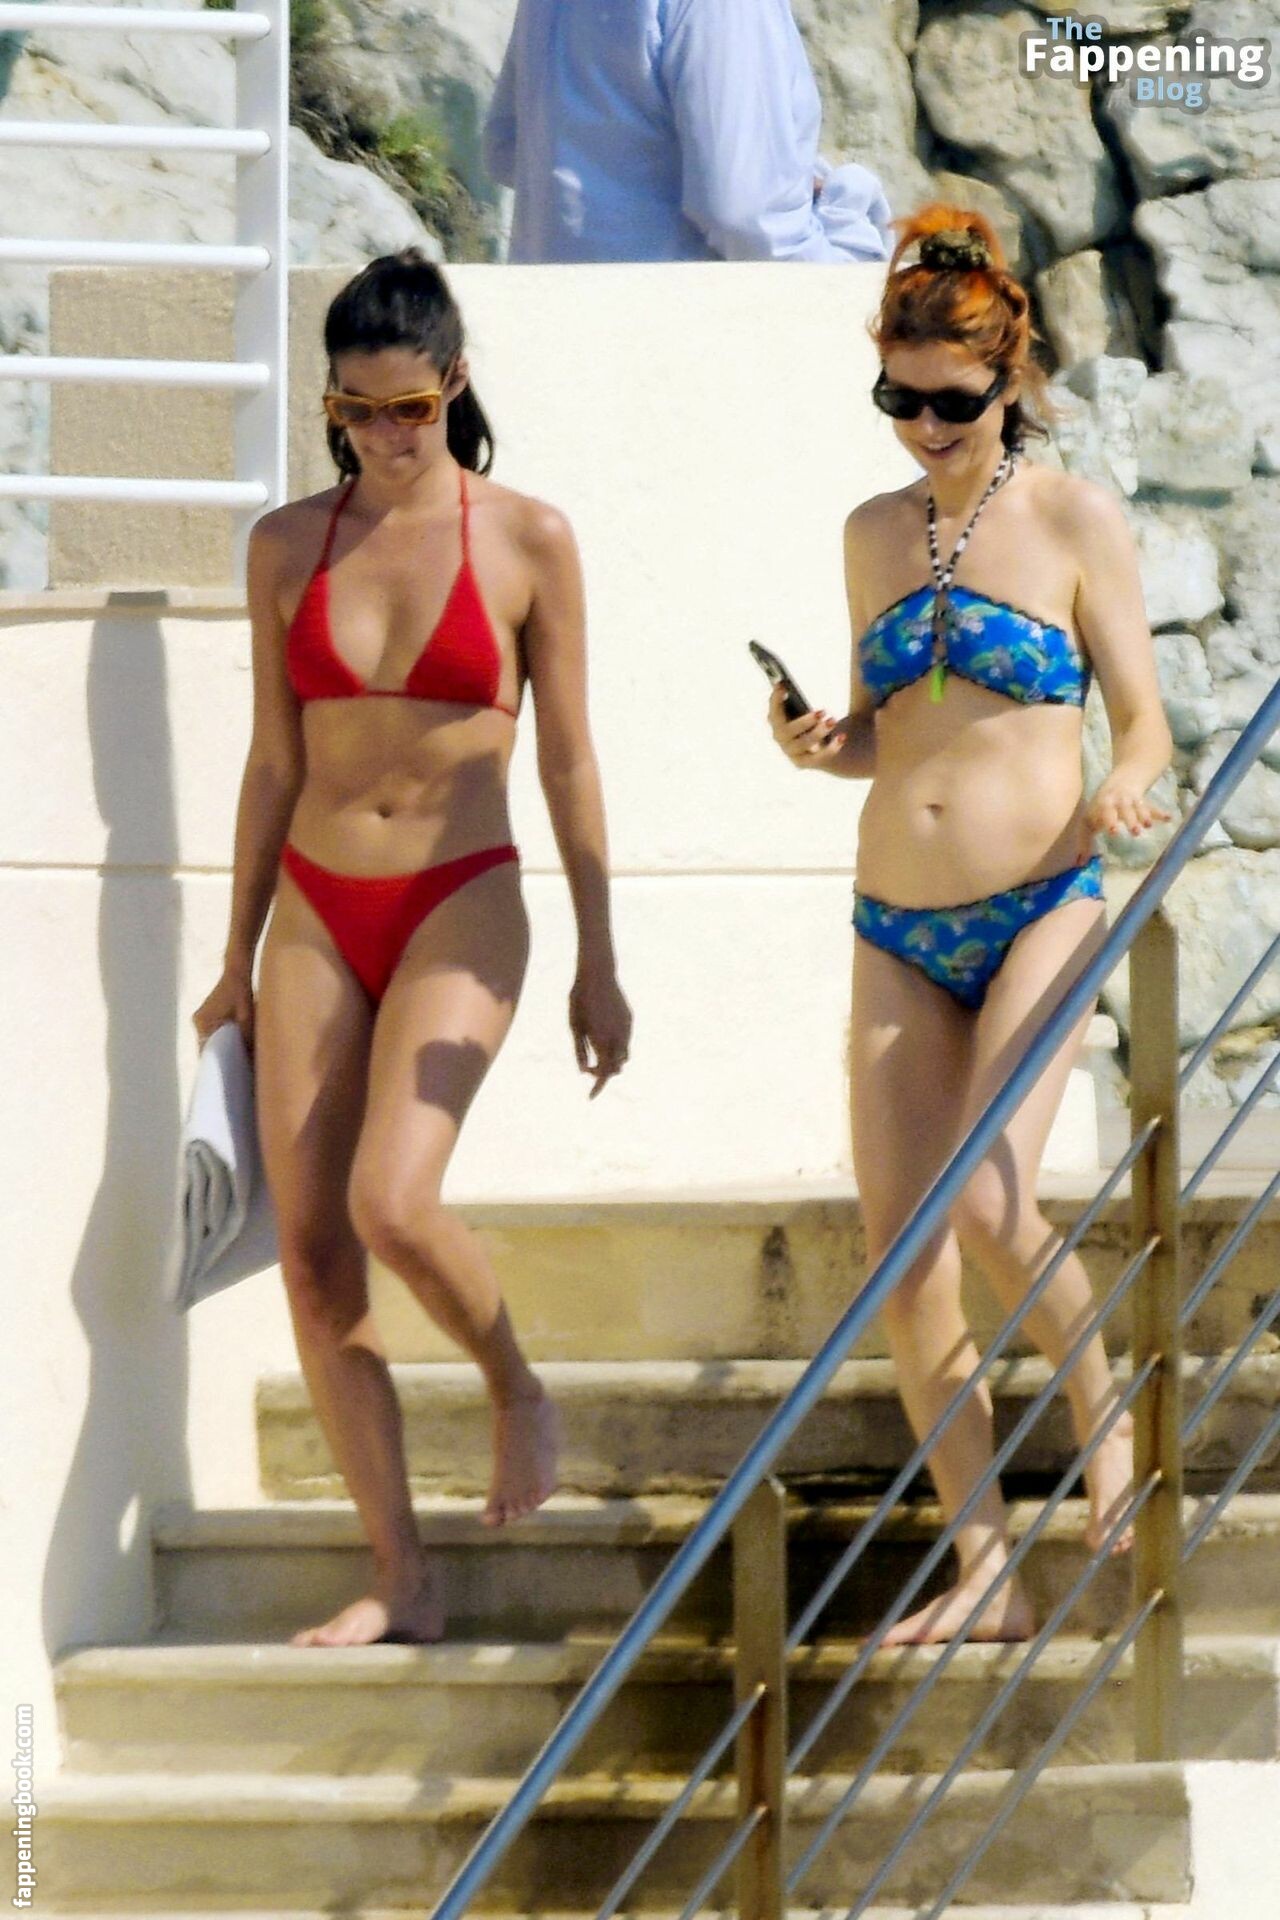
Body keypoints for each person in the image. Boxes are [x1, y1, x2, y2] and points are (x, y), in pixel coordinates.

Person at [192, 251, 632, 1648]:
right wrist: (233, 954)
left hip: (460, 893)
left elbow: (567, 760)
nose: (387, 437)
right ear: (330, 405)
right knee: (313, 1254)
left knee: (391, 1199)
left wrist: (599, 954)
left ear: (455, 386)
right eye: (359, 411)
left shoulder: (526, 538)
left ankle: (514, 1387)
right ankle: (401, 1573)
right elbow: (273, 764)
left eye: (412, 409)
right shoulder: (285, 546)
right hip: (317, 904)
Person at [767, 205, 1173, 1646]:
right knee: (903, 1257)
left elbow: (1141, 721)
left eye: (952, 401)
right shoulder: (870, 533)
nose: (925, 428)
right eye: (899, 399)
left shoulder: (1070, 517)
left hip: (1040, 900)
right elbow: (887, 732)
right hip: (896, 921)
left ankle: (1107, 1417)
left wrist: (1124, 784)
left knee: (994, 1203)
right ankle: (985, 1567)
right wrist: (822, 745)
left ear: (1013, 378)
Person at [484, 0, 891, 265]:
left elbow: (507, 148)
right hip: (676, 337)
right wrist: (846, 255)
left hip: (555, 328)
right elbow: (746, 218)